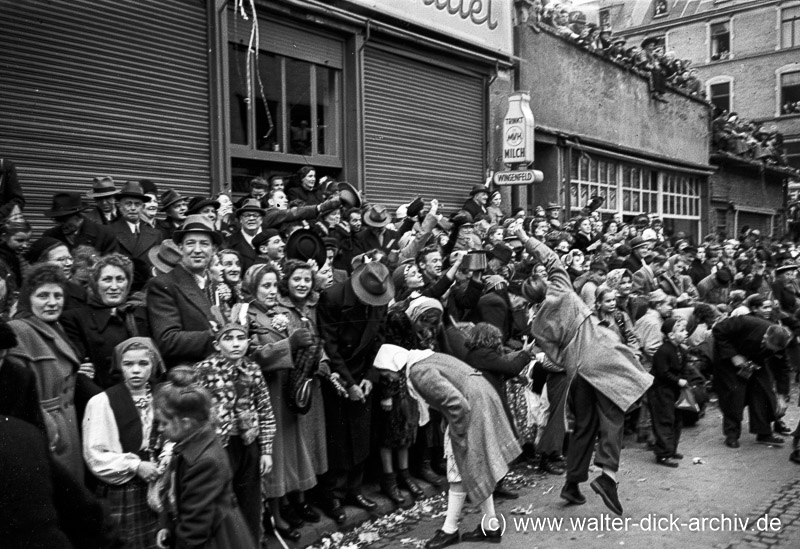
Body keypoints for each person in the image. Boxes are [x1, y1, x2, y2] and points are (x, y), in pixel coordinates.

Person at [516, 228, 652, 516]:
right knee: (614, 414)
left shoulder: (536, 326)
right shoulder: (562, 288)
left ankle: (572, 484)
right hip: (600, 354)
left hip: (575, 370)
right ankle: (607, 477)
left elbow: (553, 356)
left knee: (584, 428)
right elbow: (552, 258)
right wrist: (525, 238)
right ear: (544, 283)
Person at [236, 264, 325, 537]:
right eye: (265, 286)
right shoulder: (245, 315)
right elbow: (250, 353)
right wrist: (289, 345)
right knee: (272, 452)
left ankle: (288, 504)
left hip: (286, 390)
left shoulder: (280, 313)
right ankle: (273, 516)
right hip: (265, 394)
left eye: (275, 285)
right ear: (252, 287)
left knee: (289, 452)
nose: (272, 291)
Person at [405, 346, 521, 547]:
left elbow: (456, 404)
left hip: (469, 410)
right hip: (481, 400)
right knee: (477, 467)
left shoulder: (418, 370)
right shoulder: (434, 357)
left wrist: (457, 433)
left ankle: (450, 529)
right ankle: (490, 526)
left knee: (459, 469)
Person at [317, 262, 393, 521]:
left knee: (361, 436)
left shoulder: (381, 299)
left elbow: (379, 339)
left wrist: (371, 376)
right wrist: (349, 384)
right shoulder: (333, 297)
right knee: (339, 439)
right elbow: (330, 344)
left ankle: (354, 489)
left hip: (365, 372)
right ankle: (333, 496)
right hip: (339, 376)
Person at [6, 263, 93, 482]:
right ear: (28, 298)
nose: (52, 302)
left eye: (58, 295)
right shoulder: (20, 329)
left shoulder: (54, 326)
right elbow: (18, 391)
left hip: (68, 423)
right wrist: (50, 429)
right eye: (43, 295)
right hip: (47, 428)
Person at [153, 368, 257, 549]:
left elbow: (195, 529)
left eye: (164, 423)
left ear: (185, 422)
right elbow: (175, 494)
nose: (160, 429)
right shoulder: (188, 443)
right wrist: (167, 525)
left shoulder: (205, 461)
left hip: (215, 538)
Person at [194, 323, 275, 543]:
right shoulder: (204, 370)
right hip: (220, 446)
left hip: (247, 443)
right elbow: (195, 412)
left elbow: (265, 409)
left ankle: (250, 541)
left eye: (241, 338)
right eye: (228, 338)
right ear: (217, 345)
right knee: (221, 498)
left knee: (250, 497)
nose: (236, 344)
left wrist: (266, 449)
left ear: (248, 342)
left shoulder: (252, 370)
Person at [82, 337, 164, 548]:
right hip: (125, 488)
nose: (136, 370)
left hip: (161, 482)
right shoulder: (102, 402)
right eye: (128, 364)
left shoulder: (163, 397)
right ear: (120, 366)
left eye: (143, 364)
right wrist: (135, 465)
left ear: (154, 365)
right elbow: (96, 454)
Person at [147, 215, 222, 368]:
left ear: (214, 249)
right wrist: (219, 336)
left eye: (204, 244)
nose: (197, 250)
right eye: (190, 243)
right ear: (180, 248)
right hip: (188, 379)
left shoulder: (217, 285)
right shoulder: (164, 284)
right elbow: (168, 341)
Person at [62, 254, 145, 389]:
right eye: (107, 279)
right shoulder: (75, 319)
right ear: (95, 284)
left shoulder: (137, 315)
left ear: (128, 283)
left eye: (120, 279)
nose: (114, 286)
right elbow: (81, 373)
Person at [712, 316, 792, 448]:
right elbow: (718, 329)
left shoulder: (780, 341)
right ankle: (732, 434)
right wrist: (733, 355)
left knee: (763, 391)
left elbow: (782, 369)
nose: (774, 352)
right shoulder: (745, 322)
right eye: (772, 348)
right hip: (728, 358)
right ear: (765, 337)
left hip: (755, 360)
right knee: (734, 393)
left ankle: (764, 433)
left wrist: (783, 395)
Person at [649, 317, 689, 468]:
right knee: (664, 420)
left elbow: (684, 368)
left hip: (674, 390)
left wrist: (684, 380)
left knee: (676, 420)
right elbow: (662, 372)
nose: (685, 333)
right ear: (671, 335)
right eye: (681, 331)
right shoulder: (663, 351)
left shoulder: (681, 350)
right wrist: (678, 380)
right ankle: (663, 454)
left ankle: (671, 449)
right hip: (661, 390)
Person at [109, 182, 164, 292]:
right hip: (119, 291)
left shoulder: (156, 234)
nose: (133, 208)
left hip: (147, 292)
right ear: (119, 206)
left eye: (137, 204)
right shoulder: (108, 231)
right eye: (128, 204)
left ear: (143, 207)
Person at [43, 192, 119, 256]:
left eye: (64, 220)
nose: (61, 224)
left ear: (78, 217)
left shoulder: (104, 235)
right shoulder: (49, 236)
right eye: (57, 220)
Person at [225, 198, 265, 274]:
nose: (251, 218)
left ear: (261, 220)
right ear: (240, 219)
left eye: (255, 215)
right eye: (247, 215)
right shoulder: (230, 242)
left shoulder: (272, 239)